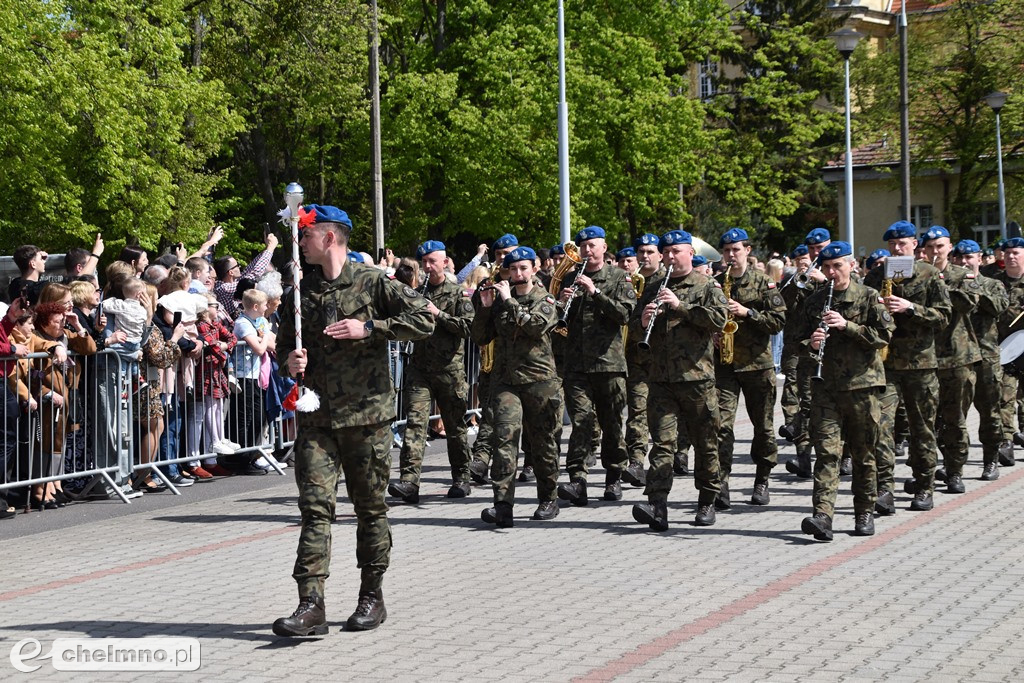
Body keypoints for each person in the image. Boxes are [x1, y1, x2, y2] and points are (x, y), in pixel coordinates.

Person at [273, 204, 433, 636]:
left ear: (328, 238)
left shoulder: (373, 281)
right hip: (318, 419)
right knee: (314, 510)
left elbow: (424, 319)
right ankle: (310, 604)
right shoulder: (299, 291)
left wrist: (372, 328)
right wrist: (291, 360)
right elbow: (283, 345)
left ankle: (371, 596)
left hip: (367, 416)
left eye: (305, 235)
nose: (299, 243)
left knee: (370, 509)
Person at [628, 230, 728, 530]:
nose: (671, 257)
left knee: (705, 442)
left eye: (676, 252)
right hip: (661, 379)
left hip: (697, 379)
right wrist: (642, 321)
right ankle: (657, 504)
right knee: (662, 444)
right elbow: (633, 330)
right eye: (667, 251)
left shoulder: (707, 285)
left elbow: (719, 320)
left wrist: (680, 307)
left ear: (689, 253)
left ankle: (708, 499)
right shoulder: (654, 287)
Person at [797, 241, 894, 541]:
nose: (831, 272)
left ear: (852, 266)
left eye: (837, 266)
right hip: (826, 387)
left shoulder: (868, 296)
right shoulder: (815, 301)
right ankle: (822, 515)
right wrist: (810, 344)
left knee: (864, 454)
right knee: (826, 453)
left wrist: (847, 326)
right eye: (826, 267)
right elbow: (795, 342)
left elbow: (884, 336)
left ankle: (863, 511)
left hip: (862, 387)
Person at [863, 220, 951, 514]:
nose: (897, 249)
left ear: (915, 244)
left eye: (903, 244)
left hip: (920, 365)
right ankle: (884, 489)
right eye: (892, 245)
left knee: (922, 429)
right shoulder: (877, 274)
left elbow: (943, 317)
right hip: (885, 366)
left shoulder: (929, 274)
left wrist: (910, 308)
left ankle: (924, 485)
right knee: (881, 428)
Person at [471, 246, 562, 526]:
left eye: (523, 268)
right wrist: (485, 308)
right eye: (513, 270)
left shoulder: (545, 298)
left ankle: (548, 497)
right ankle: (503, 505)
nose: (518, 274)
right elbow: (480, 337)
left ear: (534, 269)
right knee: (504, 441)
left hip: (539, 382)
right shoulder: (499, 300)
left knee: (543, 442)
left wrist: (509, 300)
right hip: (506, 381)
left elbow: (535, 326)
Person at [388, 240, 475, 503]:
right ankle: (409, 482)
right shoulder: (418, 292)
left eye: (432, 261)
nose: (427, 266)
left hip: (449, 370)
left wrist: (439, 314)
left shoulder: (457, 294)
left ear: (445, 262)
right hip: (420, 370)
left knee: (455, 426)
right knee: (415, 424)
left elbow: (468, 327)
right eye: (424, 262)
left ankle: (462, 477)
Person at [556, 226, 635, 506]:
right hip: (577, 365)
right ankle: (577, 479)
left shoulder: (618, 277)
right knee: (581, 422)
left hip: (608, 364)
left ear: (603, 247)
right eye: (583, 246)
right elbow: (557, 322)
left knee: (612, 424)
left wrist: (595, 291)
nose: (587, 250)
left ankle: (614, 476)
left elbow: (624, 313)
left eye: (593, 245)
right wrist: (561, 304)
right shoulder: (569, 276)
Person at [713, 228, 786, 510]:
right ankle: (721, 483)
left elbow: (778, 322)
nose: (731, 255)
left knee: (764, 428)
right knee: (721, 427)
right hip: (725, 365)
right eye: (727, 251)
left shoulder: (764, 282)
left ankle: (762, 479)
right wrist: (712, 333)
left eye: (736, 250)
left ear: (747, 251)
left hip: (758, 365)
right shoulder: (717, 283)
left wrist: (747, 313)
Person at [921, 227, 981, 494]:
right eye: (931, 247)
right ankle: (929, 469)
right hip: (925, 357)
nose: (936, 251)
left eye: (941, 246)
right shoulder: (918, 274)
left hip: (957, 357)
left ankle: (955, 471)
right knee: (926, 421)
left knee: (954, 418)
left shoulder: (961, 274)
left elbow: (970, 303)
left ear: (950, 248)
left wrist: (941, 283)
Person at [951, 239, 1009, 478]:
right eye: (960, 258)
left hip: (986, 357)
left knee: (990, 411)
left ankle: (991, 459)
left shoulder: (992, 284)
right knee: (955, 414)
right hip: (959, 357)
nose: (965, 262)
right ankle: (954, 466)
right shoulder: (949, 285)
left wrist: (975, 288)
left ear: (979, 259)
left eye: (969, 257)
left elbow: (998, 308)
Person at [992, 237, 1024, 467]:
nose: (1011, 256)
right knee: (1004, 396)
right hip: (1005, 348)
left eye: (1016, 252)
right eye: (1008, 253)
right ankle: (1006, 441)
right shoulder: (995, 284)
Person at [214, 231, 278, 320]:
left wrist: (267, 247)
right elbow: (254, 274)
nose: (240, 267)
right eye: (237, 266)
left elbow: (251, 268)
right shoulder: (222, 288)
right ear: (231, 272)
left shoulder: (234, 282)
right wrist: (271, 248)